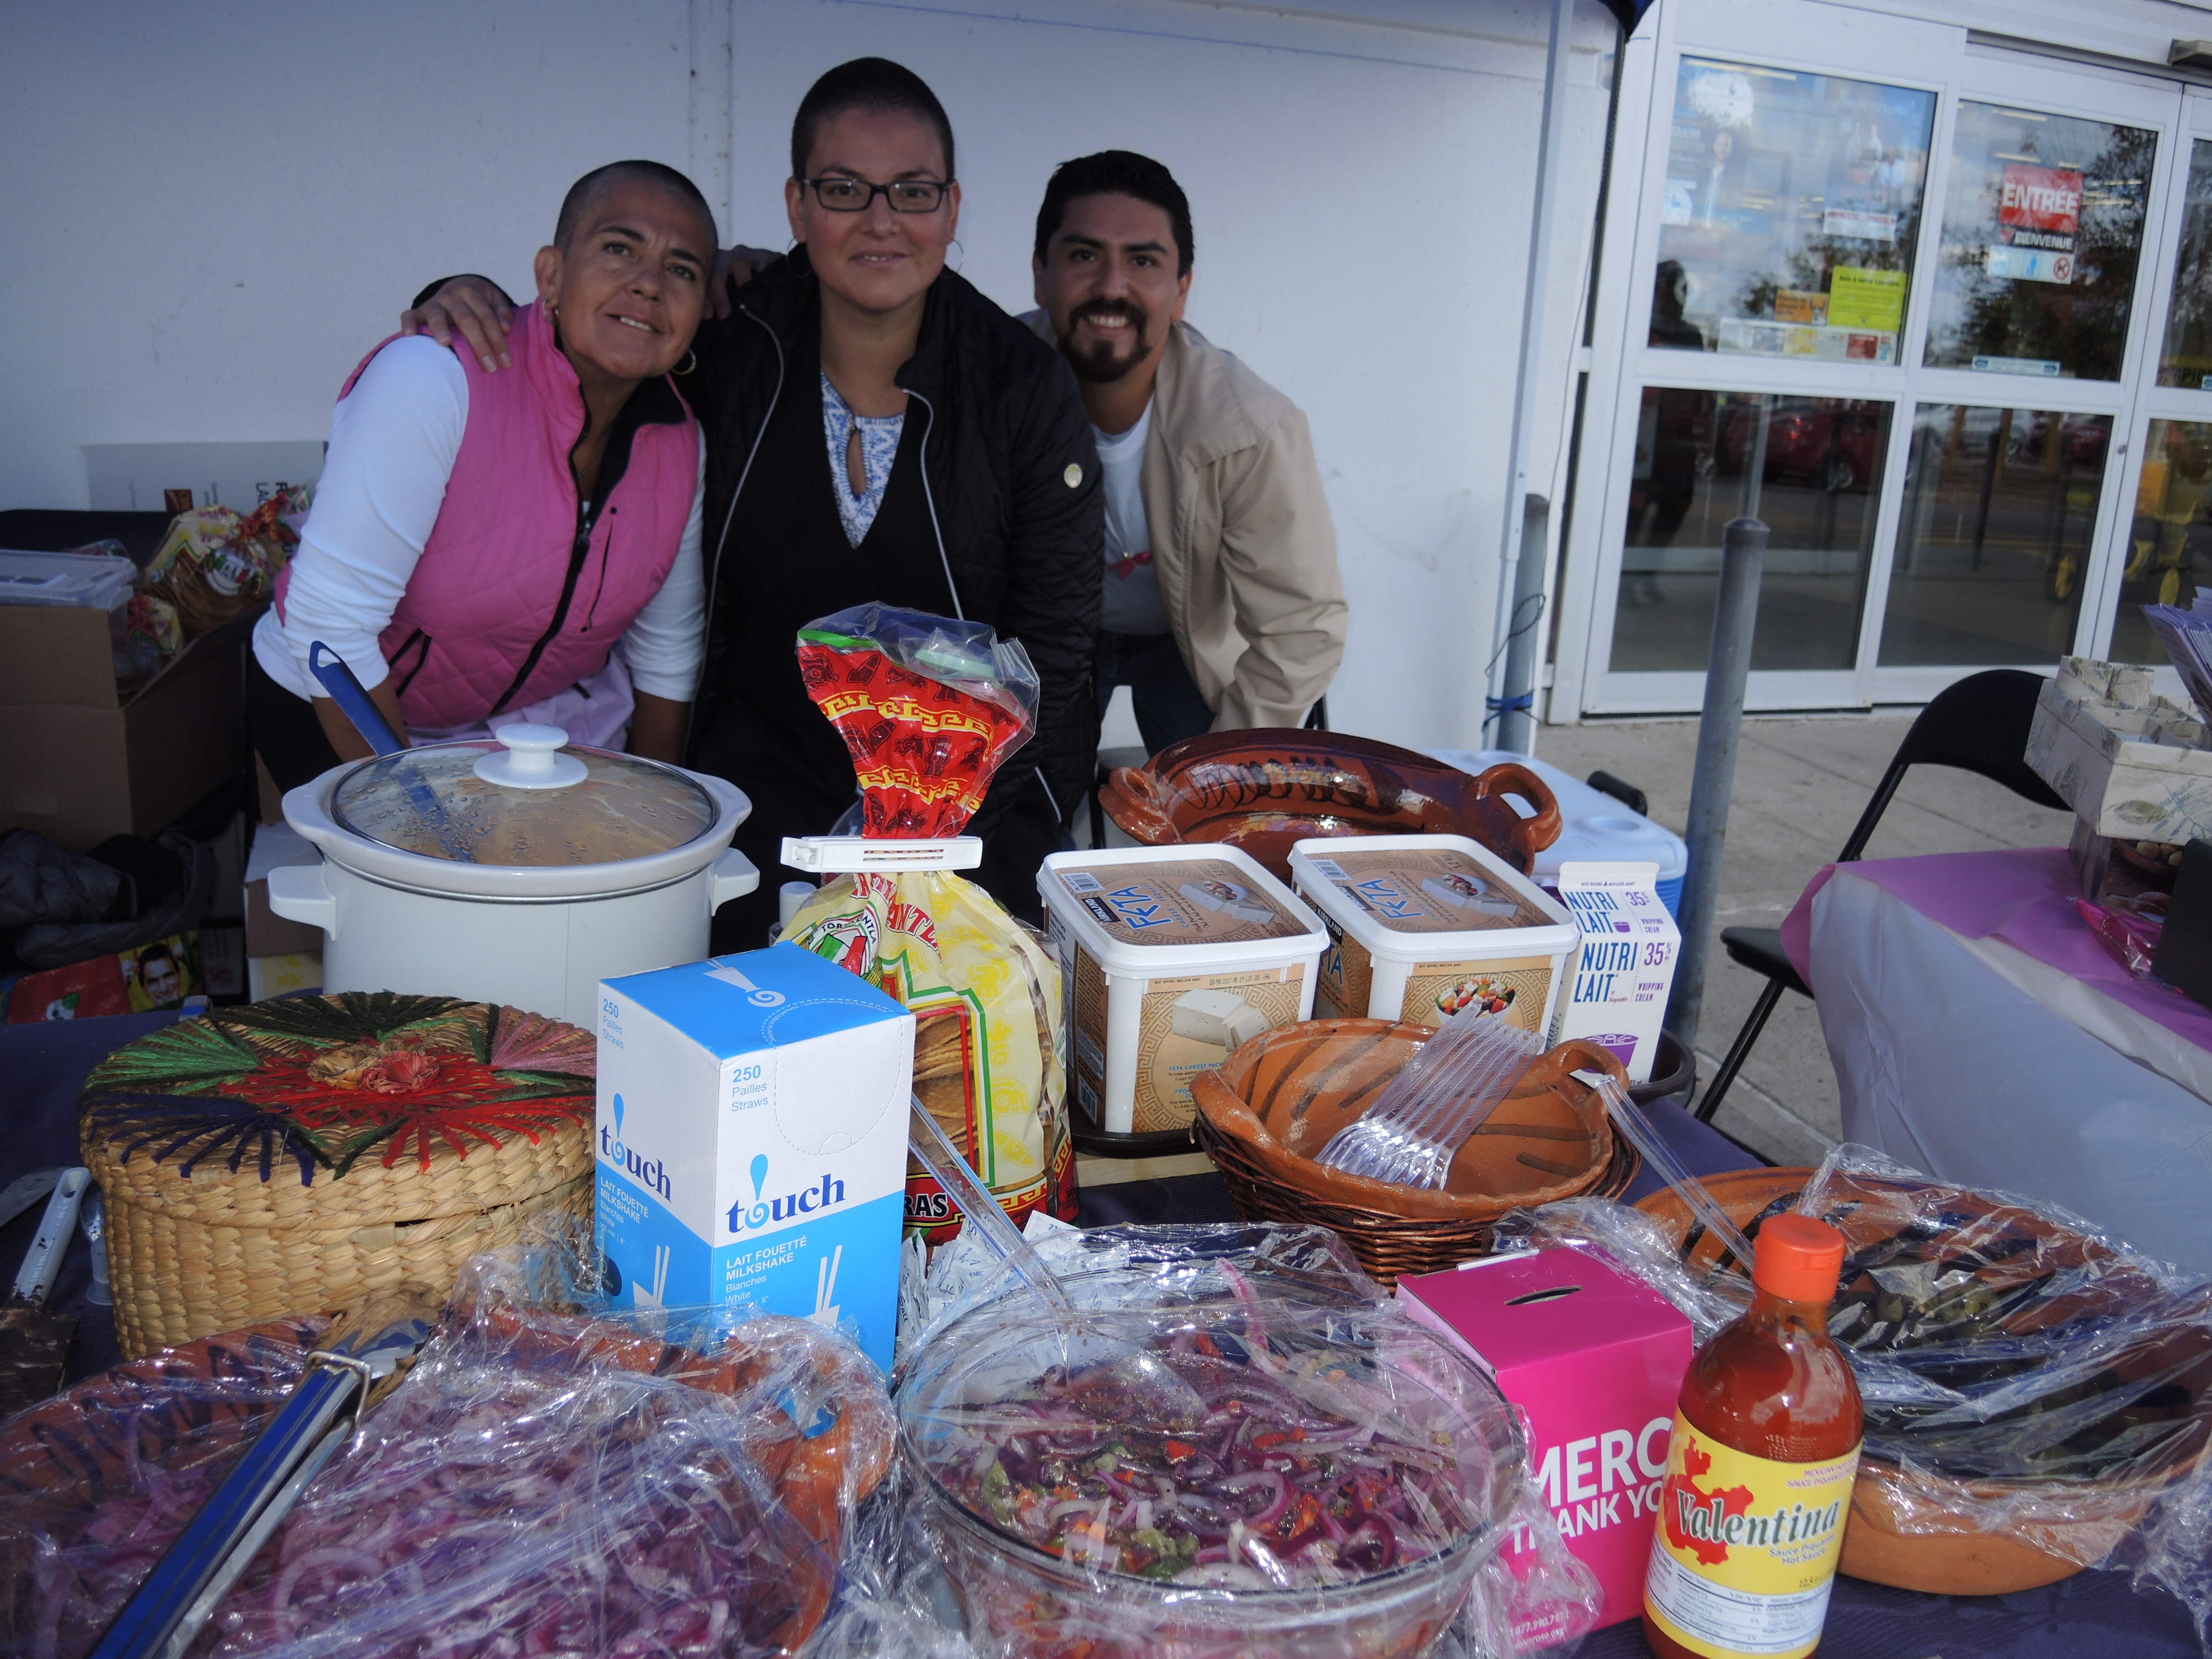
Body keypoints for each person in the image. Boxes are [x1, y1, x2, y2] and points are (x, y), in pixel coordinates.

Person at [404, 60, 1100, 942]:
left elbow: (1057, 661)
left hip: (960, 820)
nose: (881, 220)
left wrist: (969, 850)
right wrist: (470, 304)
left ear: (953, 210)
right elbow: (599, 336)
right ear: (797, 205)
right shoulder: (733, 346)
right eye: (845, 188)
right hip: (750, 803)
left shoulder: (1022, 389)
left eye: (913, 192)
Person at [249, 161, 714, 789]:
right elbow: (328, 629)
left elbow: (666, 655)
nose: (649, 284)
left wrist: (660, 817)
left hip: (515, 725)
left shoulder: (681, 443)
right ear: (550, 273)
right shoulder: (433, 378)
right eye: (617, 248)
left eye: (681, 270)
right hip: (335, 707)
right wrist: (424, 830)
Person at [1026, 150, 1344, 755]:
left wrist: (1217, 771)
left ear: (1181, 291)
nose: (1111, 287)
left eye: (1142, 260)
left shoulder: (1250, 428)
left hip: (1187, 640)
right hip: (1048, 641)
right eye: (1084, 256)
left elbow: (1302, 627)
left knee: (1202, 819)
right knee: (1026, 819)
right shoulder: (989, 387)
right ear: (1041, 274)